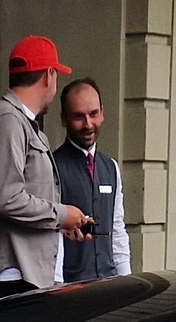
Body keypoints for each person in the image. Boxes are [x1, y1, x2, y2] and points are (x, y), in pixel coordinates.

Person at [0, 36, 91, 297]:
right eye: (56, 76)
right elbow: (8, 199)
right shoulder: (7, 120)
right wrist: (61, 215)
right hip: (11, 276)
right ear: (48, 75)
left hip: (24, 274)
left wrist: (57, 224)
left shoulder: (17, 121)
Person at [54, 79, 131, 284]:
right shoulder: (51, 167)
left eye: (93, 114)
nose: (88, 124)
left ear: (102, 113)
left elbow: (117, 230)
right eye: (79, 117)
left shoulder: (111, 167)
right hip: (69, 286)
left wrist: (127, 281)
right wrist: (56, 286)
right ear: (64, 119)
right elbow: (49, 237)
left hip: (109, 283)